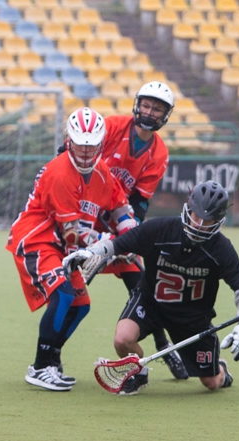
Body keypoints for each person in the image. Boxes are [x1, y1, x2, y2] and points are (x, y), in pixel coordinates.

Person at [63, 181, 239, 395]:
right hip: (151, 303)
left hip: (192, 318)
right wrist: (92, 252)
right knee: (123, 339)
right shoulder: (160, 229)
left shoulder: (222, 249)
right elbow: (118, 244)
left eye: (208, 221)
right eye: (196, 216)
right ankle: (138, 374)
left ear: (218, 221)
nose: (199, 225)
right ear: (188, 207)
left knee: (211, 382)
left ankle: (221, 369)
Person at [6, 107, 137, 392]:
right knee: (64, 295)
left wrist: (132, 234)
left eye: (92, 147)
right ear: (69, 140)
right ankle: (40, 366)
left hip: (63, 247)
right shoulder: (58, 173)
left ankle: (52, 361)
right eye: (80, 145)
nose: (86, 153)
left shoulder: (102, 171)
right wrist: (112, 245)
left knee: (80, 305)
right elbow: (73, 232)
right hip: (37, 240)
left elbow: (119, 208)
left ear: (101, 145)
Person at [62, 81, 186, 379]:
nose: (149, 111)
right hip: (82, 217)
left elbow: (139, 202)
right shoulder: (113, 127)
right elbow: (69, 159)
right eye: (146, 104)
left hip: (118, 221)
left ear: (165, 115)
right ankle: (50, 356)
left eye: (157, 108)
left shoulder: (159, 153)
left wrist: (127, 239)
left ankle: (161, 342)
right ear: (136, 104)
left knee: (143, 286)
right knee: (71, 289)